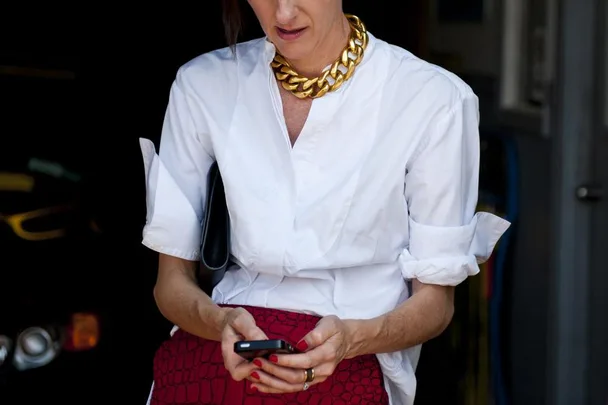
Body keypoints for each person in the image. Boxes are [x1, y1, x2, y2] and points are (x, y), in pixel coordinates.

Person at [139, 0, 511, 404]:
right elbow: (169, 285)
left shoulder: (433, 100)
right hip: (217, 355)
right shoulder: (203, 85)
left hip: (351, 357)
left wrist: (352, 338)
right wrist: (220, 322)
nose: (283, 14)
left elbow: (435, 305)